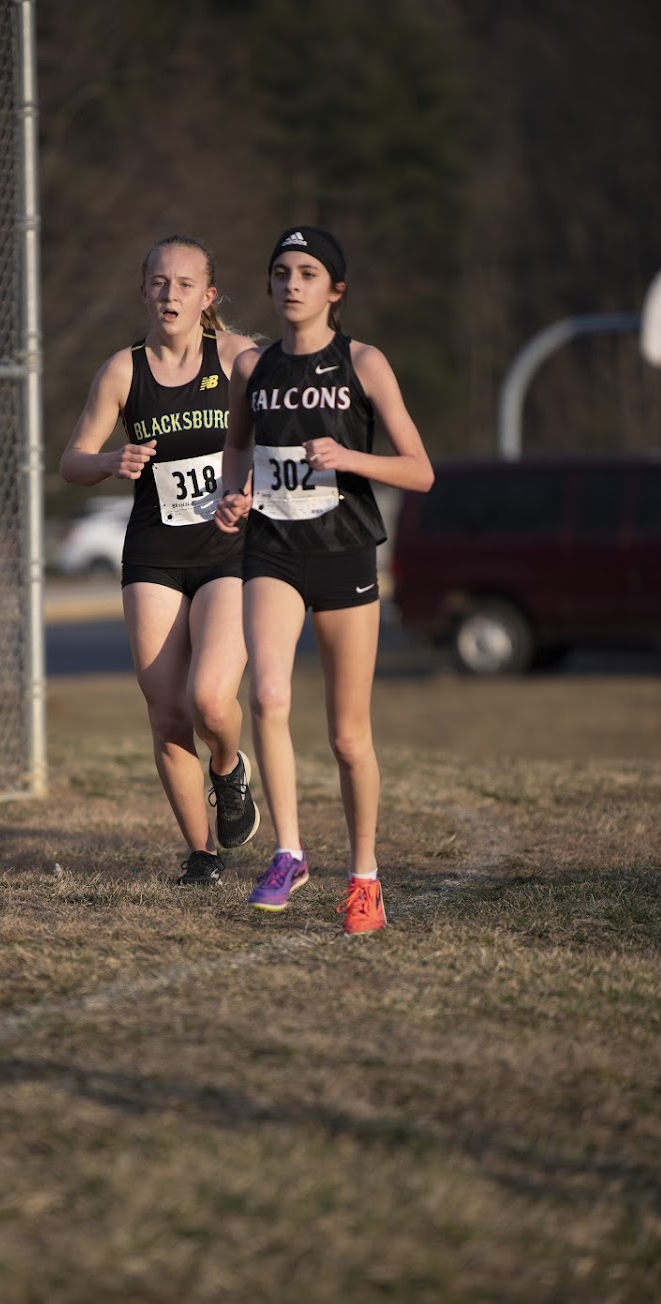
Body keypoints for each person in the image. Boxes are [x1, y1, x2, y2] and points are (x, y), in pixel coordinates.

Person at [215, 226, 434, 932]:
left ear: (335, 290)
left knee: (347, 736)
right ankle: (288, 854)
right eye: (281, 272)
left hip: (344, 552)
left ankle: (365, 877)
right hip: (272, 550)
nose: (292, 285)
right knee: (267, 696)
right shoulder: (253, 367)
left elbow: (420, 471)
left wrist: (349, 458)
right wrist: (233, 495)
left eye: (307, 273)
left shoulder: (363, 363)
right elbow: (237, 448)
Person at [59, 234, 261, 884]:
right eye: (159, 282)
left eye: (184, 284)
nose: (170, 293)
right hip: (154, 552)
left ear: (208, 296)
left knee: (210, 700)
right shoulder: (123, 371)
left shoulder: (238, 358)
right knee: (167, 709)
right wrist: (108, 461)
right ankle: (202, 855)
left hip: (229, 551)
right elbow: (71, 461)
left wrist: (250, 493)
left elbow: (281, 443)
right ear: (143, 291)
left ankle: (228, 768)